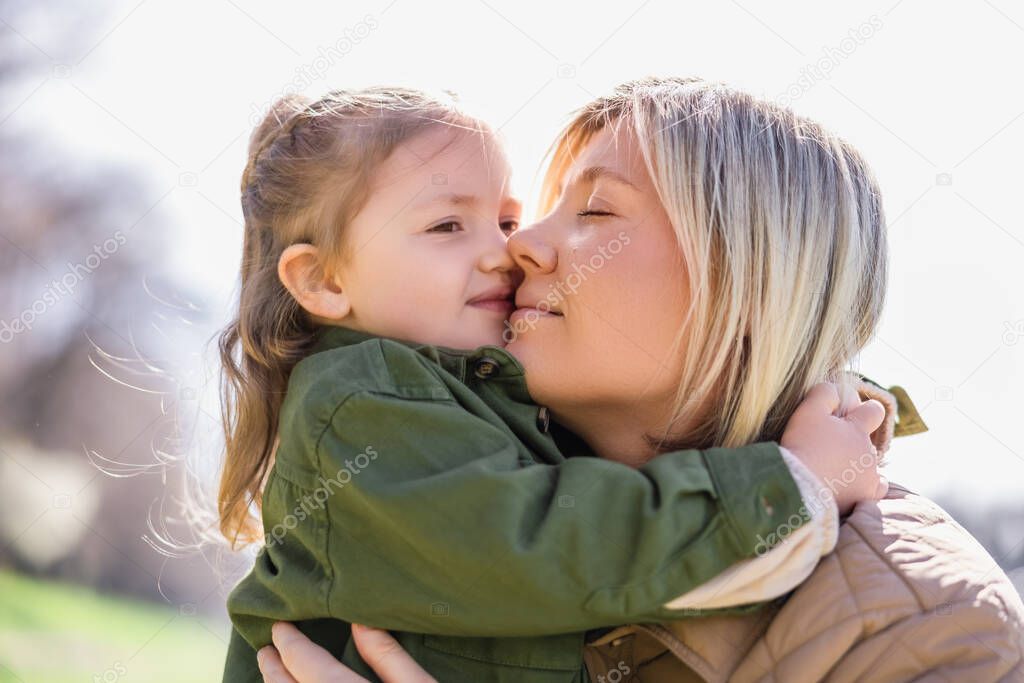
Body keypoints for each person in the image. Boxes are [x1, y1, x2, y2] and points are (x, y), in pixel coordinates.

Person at [254, 77, 1024, 682]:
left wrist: (797, 484)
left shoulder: (930, 631)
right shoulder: (451, 449)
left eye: (594, 211)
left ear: (749, 283)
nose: (522, 249)